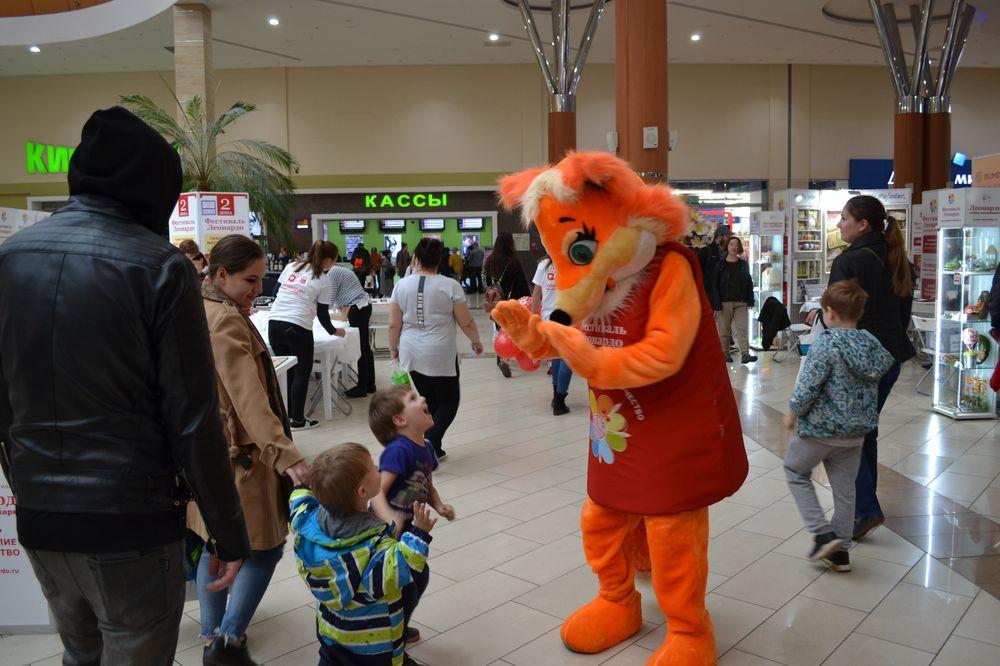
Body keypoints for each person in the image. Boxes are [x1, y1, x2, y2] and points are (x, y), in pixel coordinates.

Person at [0, 106, 249, 664]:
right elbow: (193, 418)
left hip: (41, 517)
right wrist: (228, 532)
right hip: (131, 520)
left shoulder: (9, 258)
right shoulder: (159, 267)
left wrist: (30, 486)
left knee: (80, 653)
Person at [191, 234, 312, 665]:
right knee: (263, 549)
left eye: (261, 280)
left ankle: (211, 635)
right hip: (242, 456)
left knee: (215, 542)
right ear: (221, 274)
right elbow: (249, 398)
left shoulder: (199, 307)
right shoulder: (225, 319)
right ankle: (227, 641)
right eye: (250, 280)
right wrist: (283, 452)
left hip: (210, 451)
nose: (258, 289)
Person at [289, 443, 435, 666]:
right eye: (373, 467)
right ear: (362, 492)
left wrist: (301, 487)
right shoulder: (372, 548)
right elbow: (400, 567)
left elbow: (298, 504)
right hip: (373, 643)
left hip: (332, 631)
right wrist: (418, 534)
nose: (378, 468)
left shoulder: (306, 524)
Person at [782, 280, 893, 573]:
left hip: (820, 430)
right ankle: (841, 552)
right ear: (860, 312)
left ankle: (823, 534)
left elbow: (809, 384)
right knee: (846, 491)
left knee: (795, 471)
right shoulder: (870, 343)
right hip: (855, 433)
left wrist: (793, 412)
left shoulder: (826, 343)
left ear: (829, 312)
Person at [829, 195, 915, 541]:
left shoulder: (848, 261)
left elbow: (838, 320)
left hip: (857, 362)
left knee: (847, 436)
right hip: (889, 357)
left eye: (844, 218)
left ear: (862, 225)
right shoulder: (897, 259)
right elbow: (903, 315)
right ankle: (861, 509)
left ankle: (865, 509)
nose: (839, 224)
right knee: (866, 430)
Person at [389, 238, 484, 458]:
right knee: (449, 401)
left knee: (430, 399)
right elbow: (466, 321)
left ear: (416, 258)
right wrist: (475, 340)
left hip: (411, 350)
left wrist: (394, 348)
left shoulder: (401, 285)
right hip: (440, 351)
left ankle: (435, 447)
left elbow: (394, 324)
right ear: (439, 259)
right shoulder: (450, 285)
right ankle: (429, 443)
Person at [268, 240, 347, 430]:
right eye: (334, 261)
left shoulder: (292, 266)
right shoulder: (323, 280)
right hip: (298, 327)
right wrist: (335, 331)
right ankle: (297, 420)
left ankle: (286, 417)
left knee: (287, 371)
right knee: (301, 373)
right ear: (328, 260)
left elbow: (275, 292)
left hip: (274, 324)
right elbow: (322, 314)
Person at [369, 385, 456, 532]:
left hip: (406, 523)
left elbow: (426, 486)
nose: (423, 398)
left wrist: (439, 505)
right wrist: (391, 520)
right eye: (413, 398)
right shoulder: (398, 451)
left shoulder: (427, 448)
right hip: (381, 525)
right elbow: (377, 493)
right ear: (400, 419)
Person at [326, 247, 377, 399]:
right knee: (365, 347)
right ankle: (369, 384)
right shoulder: (338, 270)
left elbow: (330, 299)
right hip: (363, 306)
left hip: (357, 309)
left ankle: (362, 387)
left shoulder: (333, 272)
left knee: (361, 347)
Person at [484, 232, 531, 378]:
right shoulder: (513, 261)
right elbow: (522, 284)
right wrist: (526, 300)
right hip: (511, 302)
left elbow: (487, 282)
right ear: (510, 243)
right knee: (511, 329)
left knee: (498, 328)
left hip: (495, 301)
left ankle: (501, 357)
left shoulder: (490, 261)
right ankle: (506, 357)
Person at [532, 256, 573, 415]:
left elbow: (536, 293)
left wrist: (533, 317)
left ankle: (556, 396)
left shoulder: (543, 264)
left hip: (547, 319)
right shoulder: (571, 263)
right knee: (567, 360)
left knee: (555, 357)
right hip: (568, 317)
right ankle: (559, 400)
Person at [711, 236, 758, 364]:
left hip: (741, 302)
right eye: (731, 244)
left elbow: (749, 282)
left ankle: (745, 354)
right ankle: (725, 354)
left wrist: (750, 300)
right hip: (724, 302)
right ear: (727, 246)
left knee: (742, 329)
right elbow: (714, 286)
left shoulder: (743, 264)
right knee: (724, 331)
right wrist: (716, 304)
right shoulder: (720, 265)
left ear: (739, 248)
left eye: (736, 245)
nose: (734, 247)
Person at [698, 225, 731, 297]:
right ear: (720, 236)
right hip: (709, 294)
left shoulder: (729, 253)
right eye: (727, 237)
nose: (729, 240)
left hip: (724, 295)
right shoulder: (706, 251)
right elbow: (698, 271)